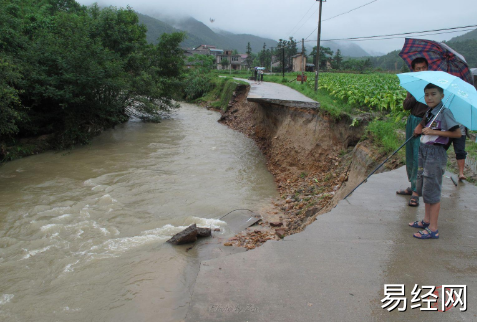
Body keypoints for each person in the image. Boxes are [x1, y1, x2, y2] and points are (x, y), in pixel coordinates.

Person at [409, 83, 461, 239]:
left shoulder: (445, 113)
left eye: (433, 94)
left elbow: (457, 133)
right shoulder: (431, 112)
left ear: (442, 96)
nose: (429, 97)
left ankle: (433, 228)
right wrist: (420, 128)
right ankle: (426, 220)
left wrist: (433, 131)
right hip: (424, 150)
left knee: (433, 189)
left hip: (435, 153)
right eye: (426, 95)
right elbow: (423, 127)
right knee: (424, 186)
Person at [396, 57, 429, 207]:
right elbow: (405, 106)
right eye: (418, 69)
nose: (421, 71)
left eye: (423, 68)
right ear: (414, 70)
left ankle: (416, 192)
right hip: (412, 121)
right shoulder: (413, 86)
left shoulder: (432, 87)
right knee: (409, 155)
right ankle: (412, 185)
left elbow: (433, 110)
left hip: (424, 124)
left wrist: (421, 125)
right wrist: (415, 94)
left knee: (418, 158)